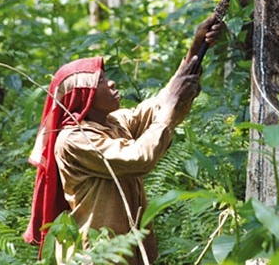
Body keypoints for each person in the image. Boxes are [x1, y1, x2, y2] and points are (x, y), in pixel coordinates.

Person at [23, 14, 224, 264]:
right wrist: (171, 107)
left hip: (126, 253)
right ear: (84, 96)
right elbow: (138, 158)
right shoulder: (74, 139)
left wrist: (196, 47)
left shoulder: (114, 122)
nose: (112, 82)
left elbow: (162, 103)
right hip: (96, 255)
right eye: (102, 80)